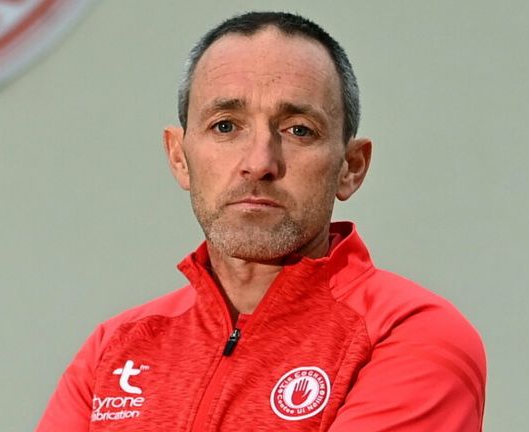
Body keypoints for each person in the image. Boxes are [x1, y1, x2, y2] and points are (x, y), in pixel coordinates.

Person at [36, 11, 486, 432]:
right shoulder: (114, 348)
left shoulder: (411, 334)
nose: (259, 162)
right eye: (226, 126)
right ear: (180, 157)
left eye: (298, 130)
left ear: (351, 167)